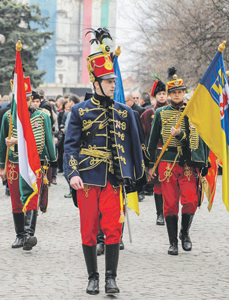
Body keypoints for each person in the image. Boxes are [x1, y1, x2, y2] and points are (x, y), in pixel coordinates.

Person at [64, 29, 145, 295]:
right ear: (96, 83)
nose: (114, 85)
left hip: (113, 178)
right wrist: (72, 173)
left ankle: (111, 277)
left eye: (114, 80)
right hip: (87, 179)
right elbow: (71, 146)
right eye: (108, 81)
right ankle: (92, 277)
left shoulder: (125, 112)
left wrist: (136, 177)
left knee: (113, 229)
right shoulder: (79, 111)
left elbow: (134, 146)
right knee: (88, 230)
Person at [147, 67, 209, 256]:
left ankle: (185, 233)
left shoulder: (192, 112)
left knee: (190, 200)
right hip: (167, 162)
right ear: (169, 94)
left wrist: (181, 134)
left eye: (179, 92)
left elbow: (198, 137)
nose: (176, 95)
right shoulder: (160, 113)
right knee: (171, 203)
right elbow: (152, 139)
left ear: (184, 93)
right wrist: (150, 165)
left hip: (188, 162)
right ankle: (172, 242)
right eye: (173, 92)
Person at [0, 76, 57, 252]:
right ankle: (20, 235)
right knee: (16, 200)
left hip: (34, 163)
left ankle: (29, 234)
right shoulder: (8, 117)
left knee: (32, 197)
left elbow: (48, 140)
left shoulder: (42, 116)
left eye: (29, 98)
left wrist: (52, 161)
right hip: (14, 164)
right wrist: (2, 166)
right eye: (22, 98)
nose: (26, 101)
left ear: (32, 99)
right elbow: (1, 143)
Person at [140, 76, 168, 225]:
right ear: (155, 96)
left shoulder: (175, 111)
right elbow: (143, 136)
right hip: (155, 154)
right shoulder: (147, 114)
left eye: (164, 94)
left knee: (171, 185)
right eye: (159, 94)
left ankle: (170, 212)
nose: (162, 96)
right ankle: (160, 214)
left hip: (171, 153)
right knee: (158, 184)